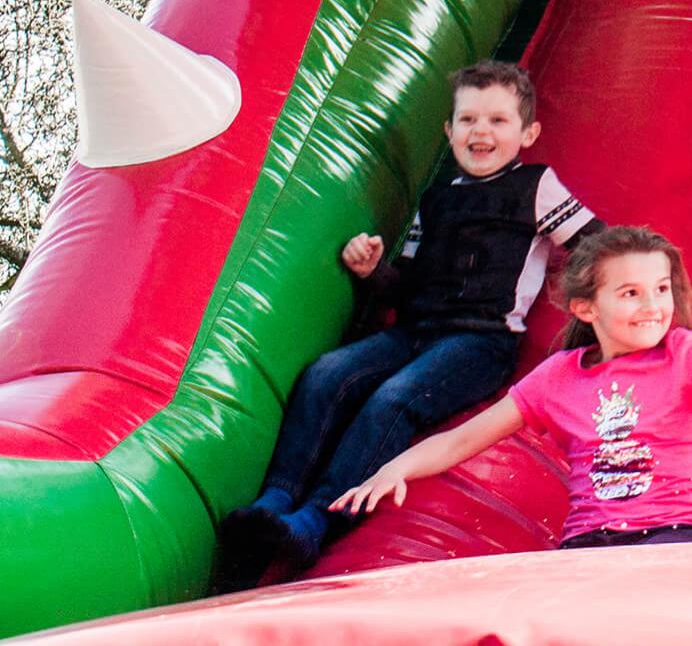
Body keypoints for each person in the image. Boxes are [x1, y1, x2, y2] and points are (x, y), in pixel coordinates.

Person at [218, 61, 604, 584]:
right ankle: (279, 496)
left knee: (393, 399)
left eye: (497, 121)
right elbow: (404, 282)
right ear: (449, 132)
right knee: (326, 375)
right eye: (468, 120)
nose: (481, 133)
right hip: (415, 329)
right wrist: (373, 269)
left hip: (482, 339)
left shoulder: (536, 187)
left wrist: (608, 303)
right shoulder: (438, 198)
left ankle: (318, 518)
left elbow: (594, 243)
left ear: (527, 133)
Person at [332, 227, 692, 548]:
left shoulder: (686, 355)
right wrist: (396, 466)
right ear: (586, 307)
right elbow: (463, 440)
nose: (653, 305)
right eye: (631, 292)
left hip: (673, 537)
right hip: (589, 543)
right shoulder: (559, 377)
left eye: (661, 289)